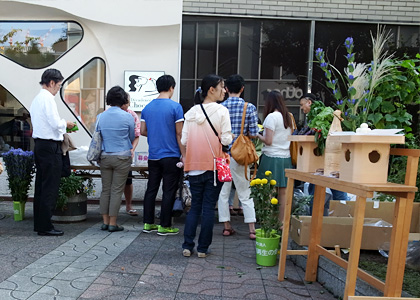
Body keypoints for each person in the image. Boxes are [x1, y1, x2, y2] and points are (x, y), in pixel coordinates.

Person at [182, 74, 233, 257]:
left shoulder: (191, 113)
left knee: (195, 206)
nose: (224, 91)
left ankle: (187, 246)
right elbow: (226, 138)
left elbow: (184, 140)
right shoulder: (221, 111)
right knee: (208, 207)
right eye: (222, 87)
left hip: (194, 165)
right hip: (214, 166)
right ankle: (203, 249)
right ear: (211, 89)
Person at [30, 68, 76, 236]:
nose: (59, 89)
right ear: (51, 83)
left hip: (40, 145)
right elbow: (55, 123)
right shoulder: (48, 98)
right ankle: (46, 226)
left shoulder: (36, 99)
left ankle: (40, 223)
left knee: (41, 187)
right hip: (50, 147)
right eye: (59, 85)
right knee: (50, 187)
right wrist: (67, 124)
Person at [140, 74, 186, 236]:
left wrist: (156, 133)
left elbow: (143, 131)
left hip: (153, 156)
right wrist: (184, 154)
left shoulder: (147, 107)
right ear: (171, 87)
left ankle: (148, 223)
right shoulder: (175, 107)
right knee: (168, 190)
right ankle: (164, 226)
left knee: (151, 189)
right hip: (171, 155)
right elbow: (179, 133)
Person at [217, 74, 258, 240]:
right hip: (240, 155)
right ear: (242, 89)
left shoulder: (220, 108)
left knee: (223, 193)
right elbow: (254, 133)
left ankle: (227, 227)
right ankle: (252, 229)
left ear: (226, 89)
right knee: (245, 192)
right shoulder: (250, 107)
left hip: (223, 154)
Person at [299, 92, 348, 214]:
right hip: (326, 162)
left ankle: (316, 222)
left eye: (302, 104)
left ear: (309, 102)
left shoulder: (319, 116)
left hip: (324, 161)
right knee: (337, 192)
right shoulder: (317, 116)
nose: (301, 108)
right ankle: (342, 218)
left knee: (319, 193)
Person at [98, 86, 134, 232]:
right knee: (117, 190)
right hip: (122, 157)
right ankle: (113, 223)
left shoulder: (101, 116)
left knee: (105, 189)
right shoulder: (127, 116)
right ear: (122, 99)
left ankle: (105, 221)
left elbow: (98, 136)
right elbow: (131, 137)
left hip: (105, 156)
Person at [256, 90, 293, 226]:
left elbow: (268, 140)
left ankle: (267, 222)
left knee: (268, 192)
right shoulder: (288, 117)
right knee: (283, 193)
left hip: (271, 157)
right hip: (285, 157)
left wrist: (256, 135)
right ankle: (282, 223)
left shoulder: (271, 117)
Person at [121, 96, 140, 216]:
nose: (127, 105)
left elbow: (137, 135)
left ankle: (128, 205)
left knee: (128, 180)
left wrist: (132, 149)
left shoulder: (132, 115)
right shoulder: (108, 114)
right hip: (112, 153)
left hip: (126, 153)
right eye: (125, 102)